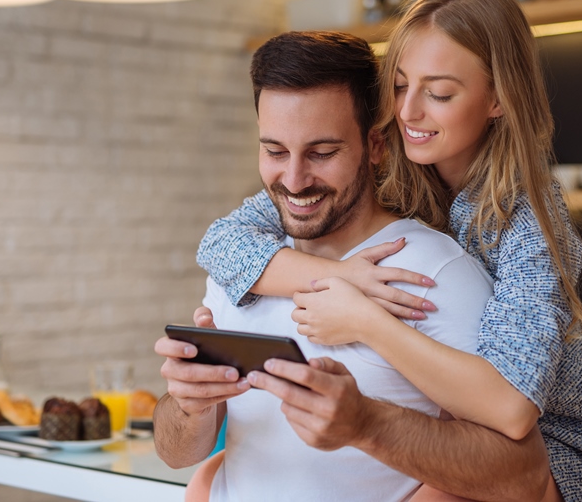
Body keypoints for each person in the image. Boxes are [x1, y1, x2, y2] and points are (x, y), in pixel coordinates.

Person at [195, 0, 582, 501]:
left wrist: (366, 320)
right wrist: (339, 276)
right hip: (450, 425)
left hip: (550, 452)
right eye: (399, 87)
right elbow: (223, 241)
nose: (409, 113)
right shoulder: (381, 165)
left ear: (498, 99)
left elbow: (512, 408)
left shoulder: (530, 220)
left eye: (439, 93)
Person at [154, 31, 555, 502]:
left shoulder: (434, 273)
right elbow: (176, 453)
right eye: (275, 151)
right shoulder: (248, 264)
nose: (295, 179)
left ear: (376, 145)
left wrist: (365, 423)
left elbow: (521, 477)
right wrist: (189, 407)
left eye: (323, 153)